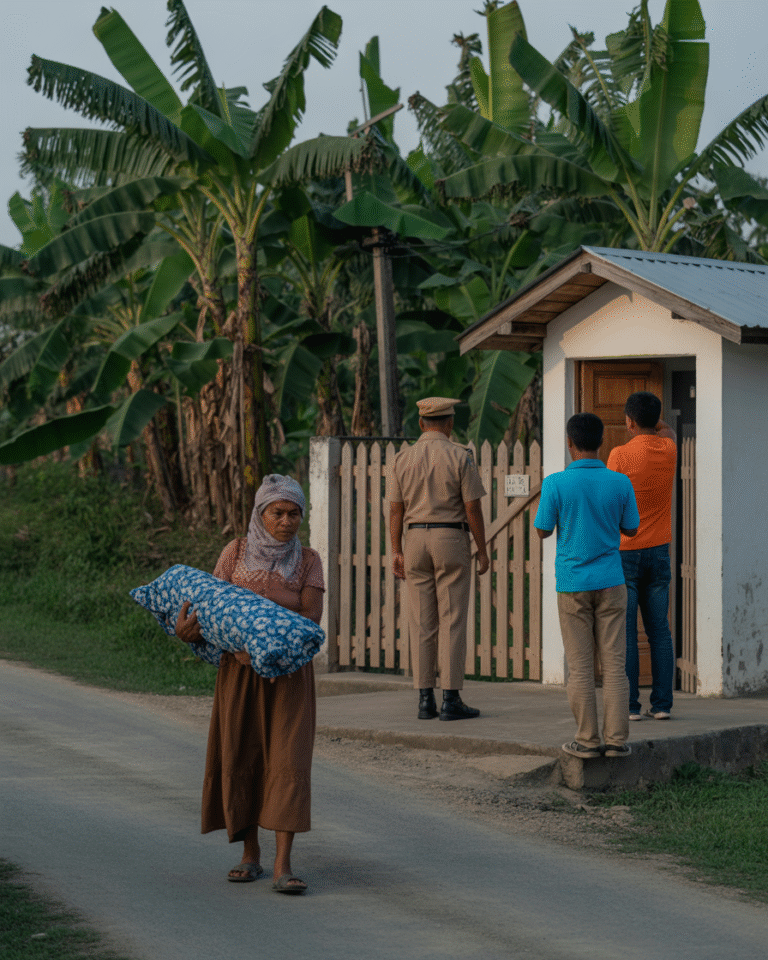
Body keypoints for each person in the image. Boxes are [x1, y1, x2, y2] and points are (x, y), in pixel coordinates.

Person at [175, 474, 324, 894]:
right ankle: (249, 855)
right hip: (238, 675)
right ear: (260, 515)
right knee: (241, 751)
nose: (287, 520)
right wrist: (192, 632)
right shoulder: (234, 553)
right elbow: (208, 608)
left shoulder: (309, 560)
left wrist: (265, 648)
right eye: (278, 512)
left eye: (294, 513)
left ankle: (283, 865)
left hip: (289, 677)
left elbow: (310, 622)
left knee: (287, 759)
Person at [534, 413, 639, 759]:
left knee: (579, 667)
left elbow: (543, 530)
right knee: (614, 665)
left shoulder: (555, 483)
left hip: (572, 584)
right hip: (612, 581)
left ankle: (588, 740)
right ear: (601, 442)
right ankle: (616, 741)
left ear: (570, 444)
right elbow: (632, 529)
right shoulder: (620, 482)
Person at [388, 397, 490, 721]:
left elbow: (395, 509)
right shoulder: (461, 456)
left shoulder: (402, 458)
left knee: (422, 622)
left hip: (414, 537)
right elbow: (472, 507)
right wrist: (482, 549)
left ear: (421, 424)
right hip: (450, 537)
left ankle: (424, 700)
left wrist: (396, 550)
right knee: (453, 619)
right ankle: (450, 699)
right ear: (449, 424)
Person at [607, 391, 677, 722]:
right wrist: (651, 420)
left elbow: (611, 503)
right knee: (659, 630)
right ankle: (662, 705)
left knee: (627, 632)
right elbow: (668, 431)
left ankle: (632, 706)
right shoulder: (669, 448)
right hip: (659, 551)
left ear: (629, 421)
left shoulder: (619, 455)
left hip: (626, 552)